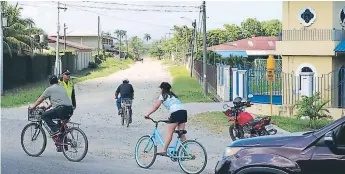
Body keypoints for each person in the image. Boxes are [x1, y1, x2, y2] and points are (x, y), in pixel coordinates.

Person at [29, 75, 73, 152]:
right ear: (57, 81)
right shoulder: (61, 87)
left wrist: (33, 106)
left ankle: (55, 130)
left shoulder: (49, 89)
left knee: (44, 115)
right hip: (70, 109)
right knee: (61, 124)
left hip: (61, 109)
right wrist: (46, 108)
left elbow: (40, 100)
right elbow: (57, 101)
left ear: (49, 82)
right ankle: (63, 146)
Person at [144, 82, 187, 156]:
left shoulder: (162, 96)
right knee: (181, 134)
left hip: (175, 113)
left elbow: (155, 107)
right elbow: (175, 106)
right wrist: (171, 115)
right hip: (183, 112)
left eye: (160, 88)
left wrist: (147, 114)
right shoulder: (173, 96)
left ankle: (164, 150)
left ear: (162, 89)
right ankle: (186, 151)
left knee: (169, 133)